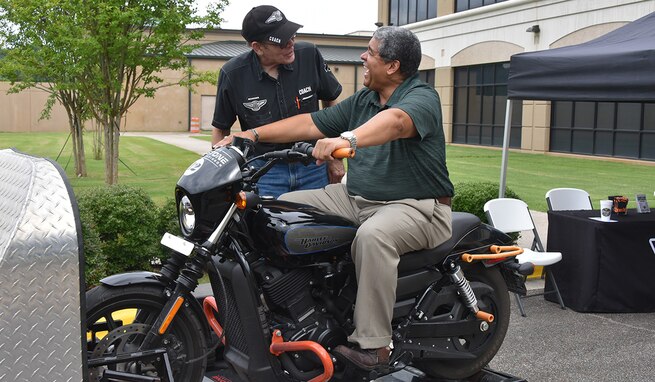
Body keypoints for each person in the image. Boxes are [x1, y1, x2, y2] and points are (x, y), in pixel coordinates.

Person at [218, 26, 454, 371]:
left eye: (370, 52)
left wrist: (350, 139)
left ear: (392, 66)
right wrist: (248, 135)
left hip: (418, 206)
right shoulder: (365, 100)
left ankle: (374, 347)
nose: (362, 57)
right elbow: (310, 123)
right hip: (356, 198)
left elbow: (396, 123)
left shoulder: (420, 97)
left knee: (374, 237)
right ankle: (292, 307)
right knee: (277, 212)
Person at [211, 5, 344, 198]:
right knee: (267, 227)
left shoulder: (309, 55)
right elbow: (221, 129)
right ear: (257, 47)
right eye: (281, 42)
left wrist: (335, 157)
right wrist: (221, 177)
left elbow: (332, 105)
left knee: (319, 228)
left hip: (313, 166)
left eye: (292, 35)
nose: (290, 43)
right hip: (264, 172)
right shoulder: (233, 74)